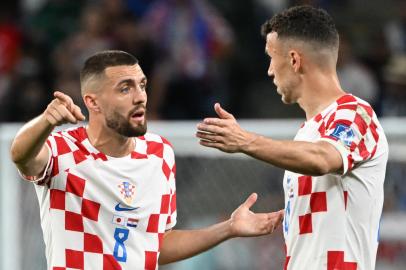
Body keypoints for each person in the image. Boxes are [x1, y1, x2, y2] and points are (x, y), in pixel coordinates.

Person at [10, 50, 283, 269]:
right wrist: (46, 120)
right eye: (125, 89)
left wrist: (229, 229)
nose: (140, 97)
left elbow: (157, 244)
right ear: (93, 102)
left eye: (142, 85)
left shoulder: (159, 153)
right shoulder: (63, 150)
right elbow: (20, 154)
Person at [196, 5, 388, 270]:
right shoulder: (307, 132)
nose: (269, 71)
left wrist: (245, 141)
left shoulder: (356, 114)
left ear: (295, 60)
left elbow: (323, 159)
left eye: (271, 57)